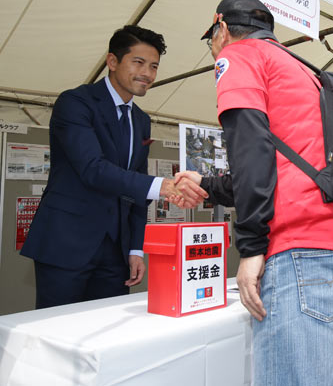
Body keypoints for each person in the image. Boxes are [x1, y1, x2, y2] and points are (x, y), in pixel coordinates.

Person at [200, 0, 333, 385]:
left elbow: (251, 156)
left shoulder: (239, 56)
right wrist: (205, 186)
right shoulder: (301, 68)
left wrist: (251, 248)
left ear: (222, 28)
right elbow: (285, 166)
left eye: (211, 37)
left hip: (307, 258)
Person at [21, 25, 208, 309]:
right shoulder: (75, 103)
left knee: (110, 324)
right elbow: (92, 168)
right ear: (112, 61)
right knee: (57, 327)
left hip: (116, 251)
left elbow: (136, 184)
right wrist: (164, 186)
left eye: (154, 66)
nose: (147, 74)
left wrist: (135, 248)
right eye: (138, 62)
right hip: (66, 243)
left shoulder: (141, 120)